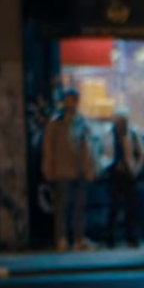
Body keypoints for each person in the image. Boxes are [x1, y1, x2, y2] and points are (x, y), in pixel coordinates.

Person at [41, 90, 97, 250]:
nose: (71, 104)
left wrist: (90, 168)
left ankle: (78, 238)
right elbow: (49, 148)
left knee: (79, 206)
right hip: (62, 169)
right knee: (62, 206)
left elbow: (88, 146)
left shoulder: (82, 122)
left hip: (80, 169)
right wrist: (48, 169)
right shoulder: (56, 123)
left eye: (73, 101)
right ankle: (62, 238)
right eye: (68, 101)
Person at [105, 111, 144, 248]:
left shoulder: (133, 134)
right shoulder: (109, 135)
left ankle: (131, 237)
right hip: (114, 173)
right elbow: (103, 151)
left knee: (130, 208)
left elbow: (142, 152)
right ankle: (110, 238)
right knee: (113, 207)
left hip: (129, 174)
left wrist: (136, 168)